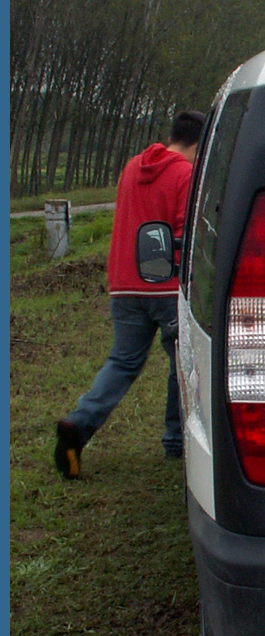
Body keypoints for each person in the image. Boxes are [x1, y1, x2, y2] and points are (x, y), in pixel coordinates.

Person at [54, 110, 206, 479]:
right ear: (198, 143)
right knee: (180, 365)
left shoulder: (132, 166)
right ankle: (175, 442)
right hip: (165, 284)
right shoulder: (185, 174)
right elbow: (185, 234)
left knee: (122, 362)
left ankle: (79, 424)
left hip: (124, 283)